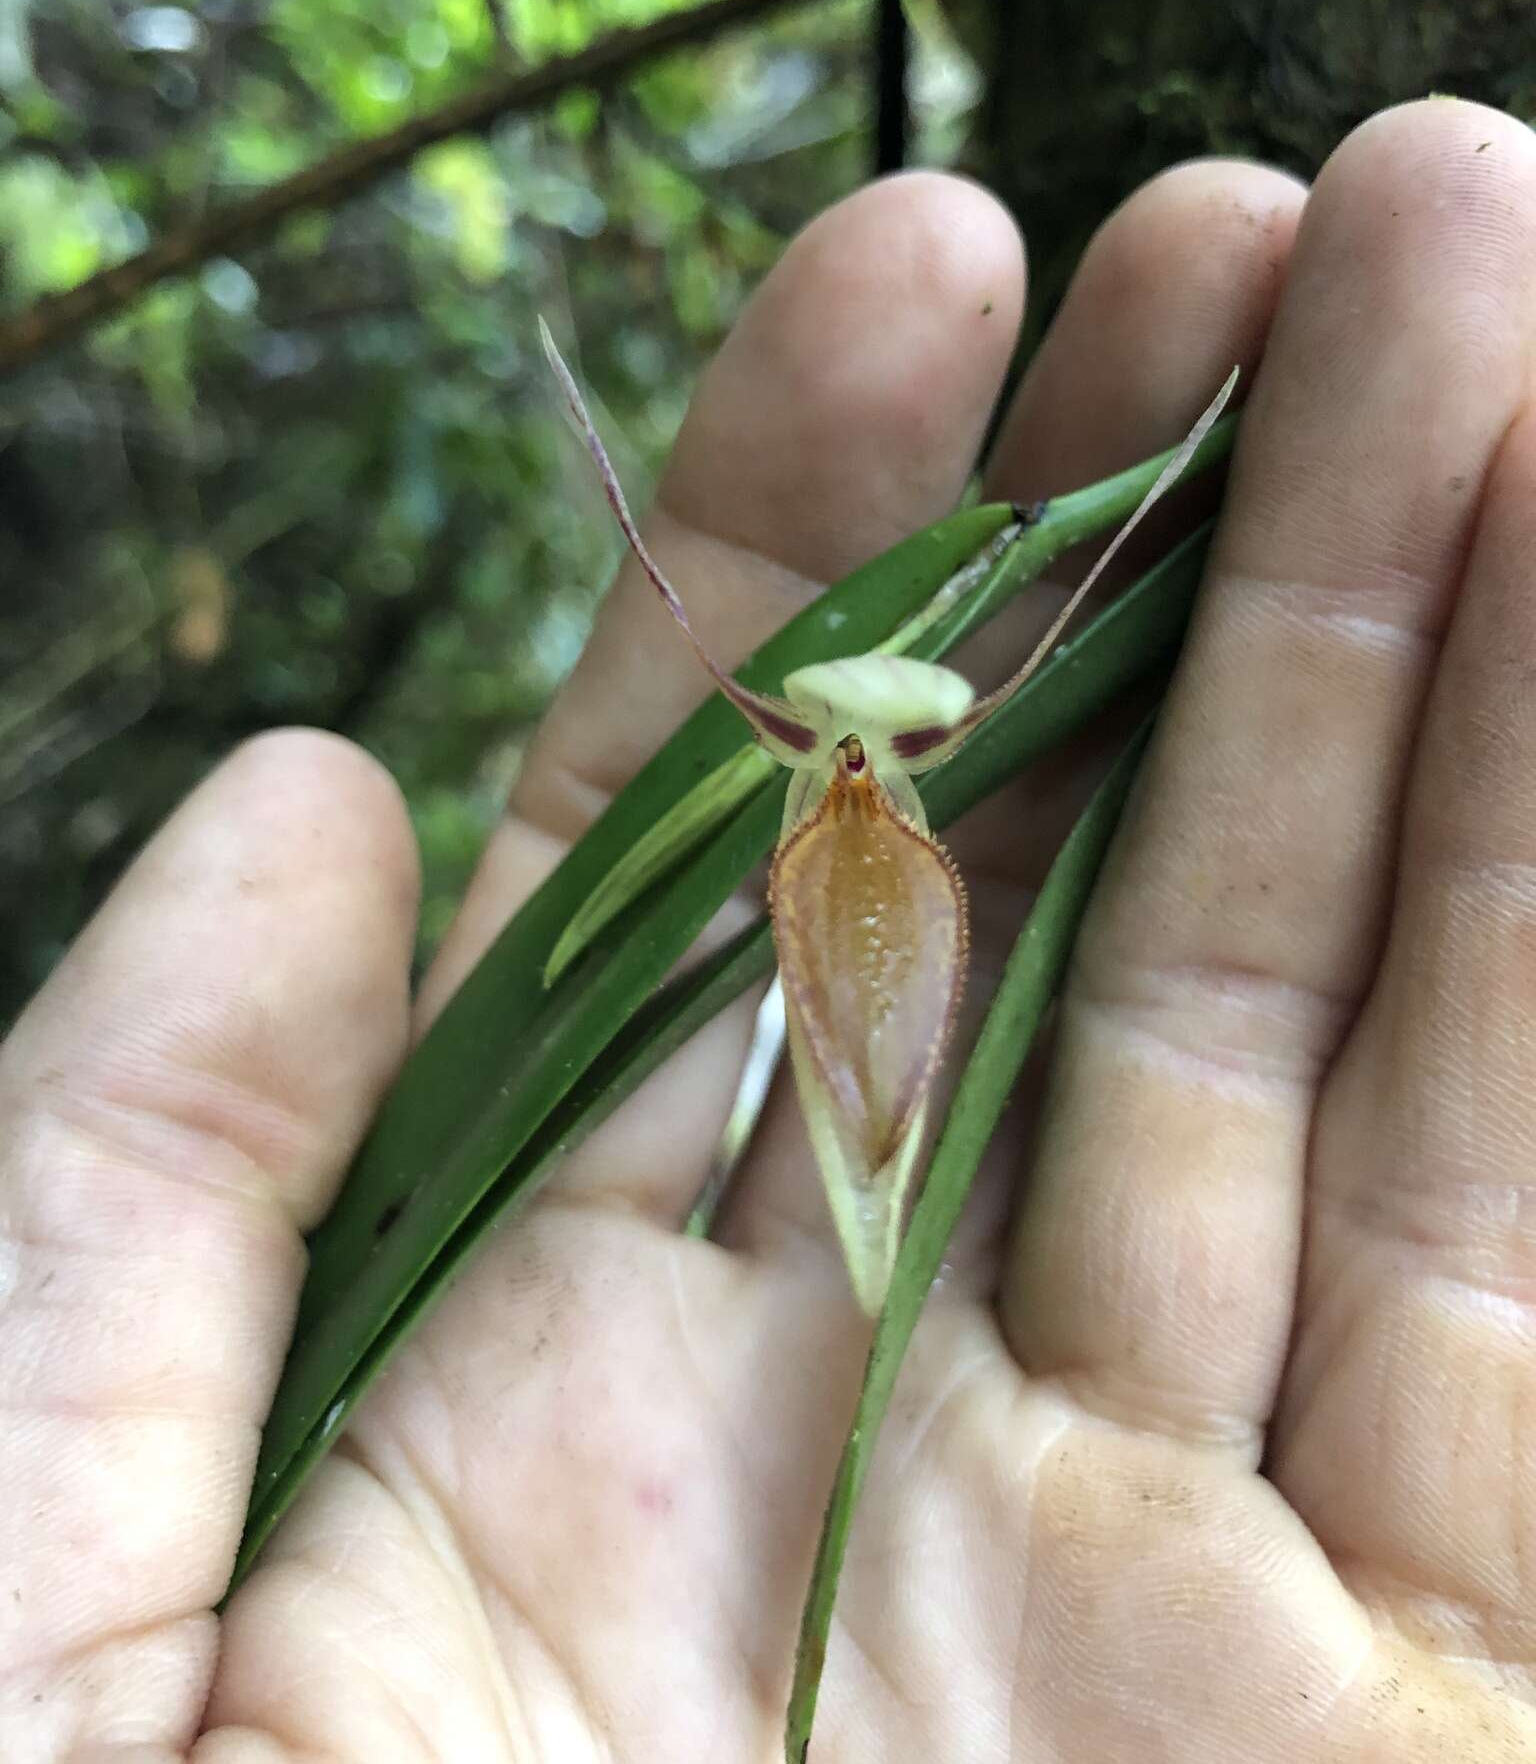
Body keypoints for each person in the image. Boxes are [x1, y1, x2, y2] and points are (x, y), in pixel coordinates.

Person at [6, 97, 1535, 1762]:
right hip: (832, 887)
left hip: (862, 882)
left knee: (879, 1121)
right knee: (857, 1109)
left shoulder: (849, 791)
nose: (868, 763)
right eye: (845, 747)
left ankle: (878, 1270)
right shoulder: (814, 792)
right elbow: (688, 846)